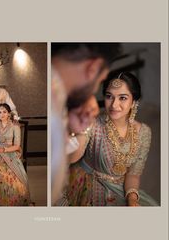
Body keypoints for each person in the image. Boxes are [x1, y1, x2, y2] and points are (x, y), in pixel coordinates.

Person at [60, 72, 158, 206]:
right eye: (109, 96)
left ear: (134, 101)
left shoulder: (144, 132)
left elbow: (133, 175)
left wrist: (132, 199)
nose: (114, 105)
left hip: (120, 189)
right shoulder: (93, 123)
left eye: (122, 98)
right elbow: (72, 157)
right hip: (86, 185)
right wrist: (80, 128)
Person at [51, 43, 122, 204]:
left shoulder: (59, 100)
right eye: (101, 80)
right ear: (93, 68)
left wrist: (75, 129)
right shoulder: (54, 104)